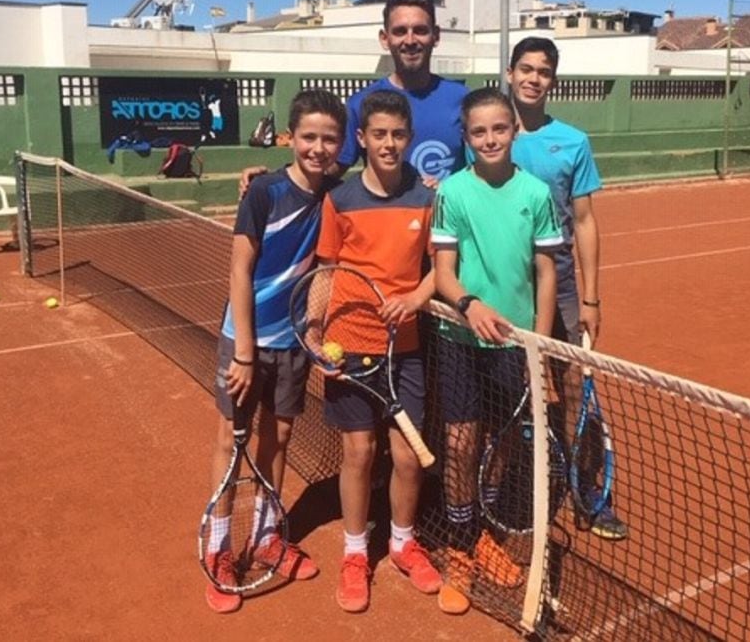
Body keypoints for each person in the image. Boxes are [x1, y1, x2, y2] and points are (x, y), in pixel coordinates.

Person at [204, 89, 347, 613]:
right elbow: (239, 270)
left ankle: (266, 536)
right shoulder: (263, 193)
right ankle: (218, 548)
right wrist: (244, 350)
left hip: (293, 344)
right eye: (308, 137)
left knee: (279, 439)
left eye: (329, 139)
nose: (318, 148)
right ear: (290, 137)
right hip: (243, 342)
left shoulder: (337, 190)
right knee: (230, 440)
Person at [314, 90, 447, 614]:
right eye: (379, 135)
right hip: (348, 343)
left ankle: (402, 542)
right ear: (362, 140)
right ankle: (353, 552)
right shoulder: (340, 200)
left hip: (405, 347)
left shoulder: (427, 195)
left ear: (409, 139)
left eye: (398, 134)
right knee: (359, 454)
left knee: (408, 455)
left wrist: (417, 296)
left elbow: (443, 265)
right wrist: (312, 327)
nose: (389, 144)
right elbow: (327, 271)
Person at [431, 87, 563, 613]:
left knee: (504, 443)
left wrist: (540, 346)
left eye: (499, 129)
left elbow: (546, 273)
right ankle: (461, 545)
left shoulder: (535, 193)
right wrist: (470, 305)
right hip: (459, 339)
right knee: (461, 443)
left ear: (513, 131)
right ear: (466, 137)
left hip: (515, 345)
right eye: (479, 131)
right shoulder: (453, 193)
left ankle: (483, 531)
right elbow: (442, 272)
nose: (489, 138)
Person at [505, 36, 628, 540]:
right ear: (510, 73)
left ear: (553, 80)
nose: (534, 78)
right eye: (526, 69)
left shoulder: (572, 142)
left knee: (574, 387)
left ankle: (588, 495)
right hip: (501, 279)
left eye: (544, 71)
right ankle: (512, 490)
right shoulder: (483, 130)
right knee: (507, 389)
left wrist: (592, 298)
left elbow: (585, 220)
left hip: (560, 283)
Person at [238, 0, 468, 193]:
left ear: (436, 36)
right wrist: (271, 180)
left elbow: (485, 169)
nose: (410, 40)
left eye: (420, 30)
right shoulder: (361, 103)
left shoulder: (463, 100)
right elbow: (326, 169)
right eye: (400, 31)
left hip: (450, 234)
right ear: (384, 39)